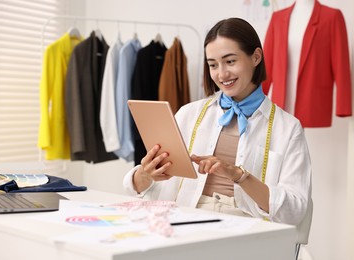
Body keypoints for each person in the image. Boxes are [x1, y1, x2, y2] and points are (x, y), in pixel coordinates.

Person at [123, 17, 312, 225]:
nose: (222, 74)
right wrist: (146, 173)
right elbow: (143, 190)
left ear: (256, 57)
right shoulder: (187, 115)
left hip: (247, 227)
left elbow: (295, 210)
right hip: (187, 218)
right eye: (213, 65)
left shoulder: (287, 129)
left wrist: (238, 175)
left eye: (230, 61)